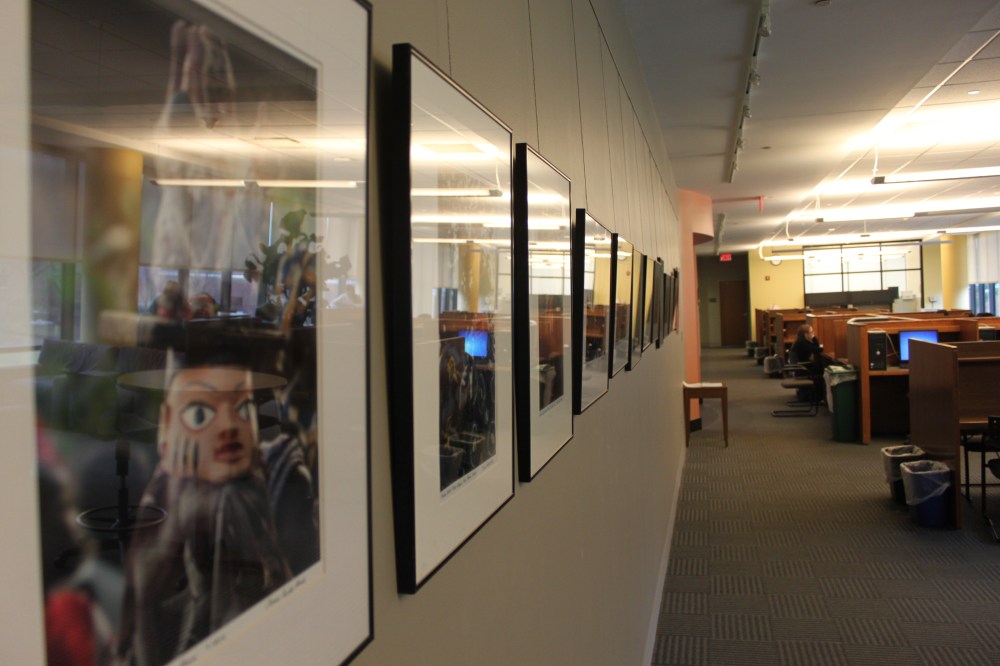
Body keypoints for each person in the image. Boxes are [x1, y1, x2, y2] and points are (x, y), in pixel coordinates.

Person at [116, 361, 316, 666]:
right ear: (166, 428)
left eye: (244, 408)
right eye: (201, 414)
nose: (229, 427)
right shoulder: (157, 504)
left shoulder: (282, 479)